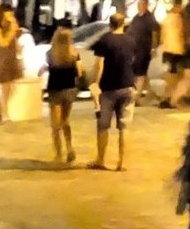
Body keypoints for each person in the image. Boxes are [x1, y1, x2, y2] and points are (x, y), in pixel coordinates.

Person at [87, 12, 135, 171]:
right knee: (124, 127)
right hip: (127, 86)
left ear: (110, 24)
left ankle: (100, 160)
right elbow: (131, 61)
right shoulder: (130, 40)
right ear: (123, 24)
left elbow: (99, 64)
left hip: (108, 88)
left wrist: (95, 82)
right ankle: (122, 162)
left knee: (103, 126)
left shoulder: (105, 40)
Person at [44, 26, 81, 165]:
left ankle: (59, 153)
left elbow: (50, 67)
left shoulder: (50, 54)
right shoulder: (74, 54)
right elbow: (80, 72)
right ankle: (70, 148)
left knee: (55, 125)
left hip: (55, 89)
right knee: (65, 120)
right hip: (69, 89)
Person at [0, 8, 24, 118]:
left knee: (11, 87)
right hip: (0, 59)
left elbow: (14, 40)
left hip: (11, 58)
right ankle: (3, 112)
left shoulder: (11, 26)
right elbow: (3, 43)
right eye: (8, 13)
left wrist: (18, 47)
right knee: (3, 86)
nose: (11, 16)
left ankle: (1, 109)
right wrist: (12, 30)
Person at [158, 0, 190, 108]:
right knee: (177, 75)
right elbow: (183, 33)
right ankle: (173, 99)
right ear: (180, 4)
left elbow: (162, 35)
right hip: (178, 49)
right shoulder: (179, 18)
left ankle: (167, 97)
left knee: (171, 74)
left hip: (167, 49)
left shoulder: (167, 17)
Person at [125, 0, 159, 99]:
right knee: (139, 72)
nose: (140, 6)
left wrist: (153, 48)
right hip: (135, 49)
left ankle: (136, 96)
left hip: (144, 49)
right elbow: (130, 31)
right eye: (139, 4)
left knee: (140, 72)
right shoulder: (136, 17)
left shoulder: (150, 18)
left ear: (146, 5)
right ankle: (152, 95)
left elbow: (154, 33)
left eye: (142, 4)